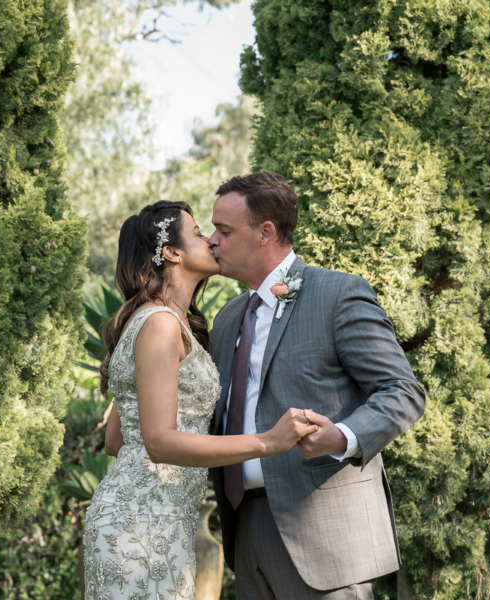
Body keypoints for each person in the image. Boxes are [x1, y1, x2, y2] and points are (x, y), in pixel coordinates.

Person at [84, 200, 319, 600]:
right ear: (172, 253)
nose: (210, 240)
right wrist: (267, 441)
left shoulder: (150, 319)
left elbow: (116, 440)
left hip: (146, 518)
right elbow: (157, 442)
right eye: (197, 233)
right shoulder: (159, 324)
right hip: (144, 527)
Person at [206, 171, 426, 600]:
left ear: (265, 232)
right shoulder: (227, 318)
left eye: (224, 230)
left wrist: (341, 436)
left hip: (326, 537)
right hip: (244, 527)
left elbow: (403, 391)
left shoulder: (338, 295)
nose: (213, 240)